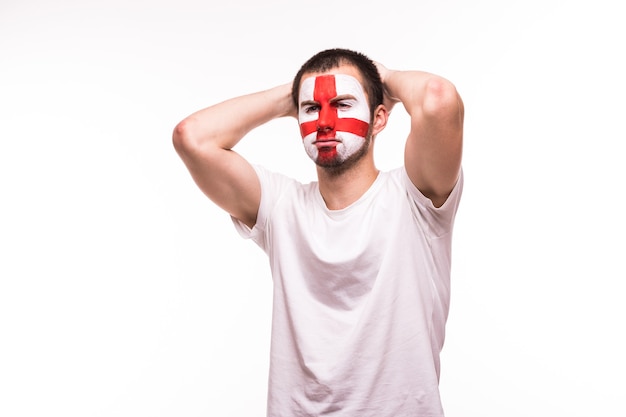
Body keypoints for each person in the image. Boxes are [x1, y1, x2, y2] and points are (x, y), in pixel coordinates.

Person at [173, 48, 464, 417]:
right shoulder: (281, 207)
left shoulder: (416, 199)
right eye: (311, 109)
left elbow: (438, 99)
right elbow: (191, 136)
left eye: (342, 103)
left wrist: (384, 77)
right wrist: (291, 95)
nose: (325, 122)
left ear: (379, 119)